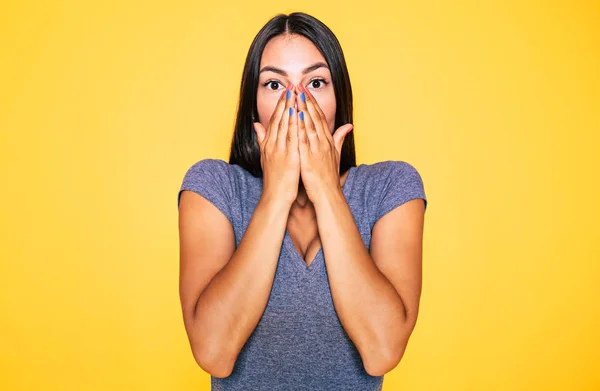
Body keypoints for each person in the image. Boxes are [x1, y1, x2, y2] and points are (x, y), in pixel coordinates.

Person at [177, 12, 428, 391]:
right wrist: (277, 192)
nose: (296, 103)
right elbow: (214, 353)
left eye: (315, 82)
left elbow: (382, 350)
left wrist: (325, 188)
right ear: (253, 107)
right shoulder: (214, 187)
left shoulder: (390, 188)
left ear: (338, 99)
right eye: (275, 84)